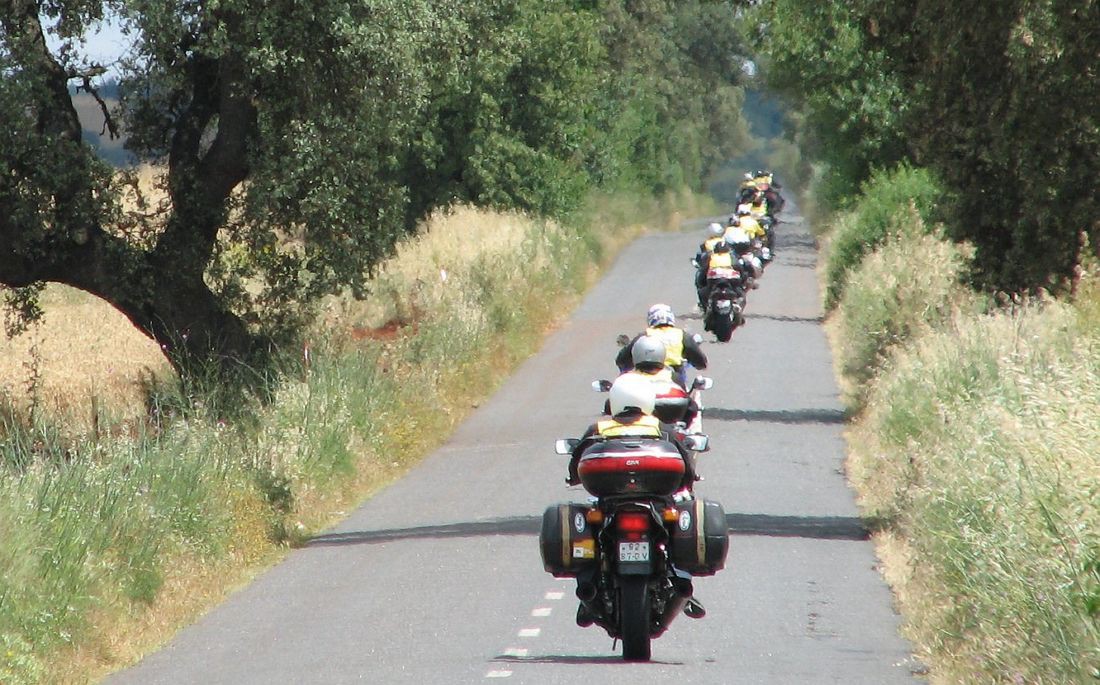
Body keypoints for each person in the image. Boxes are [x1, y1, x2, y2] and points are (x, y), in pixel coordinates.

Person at [566, 373, 697, 490]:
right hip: (654, 490)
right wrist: (688, 480)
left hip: (610, 491)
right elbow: (683, 455)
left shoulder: (599, 428)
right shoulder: (659, 426)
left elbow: (578, 456)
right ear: (649, 399)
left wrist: (573, 478)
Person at [616, 304, 707, 387]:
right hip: (675, 380)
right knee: (689, 400)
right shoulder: (681, 335)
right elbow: (701, 362)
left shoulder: (644, 335)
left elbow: (622, 360)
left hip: (646, 380)